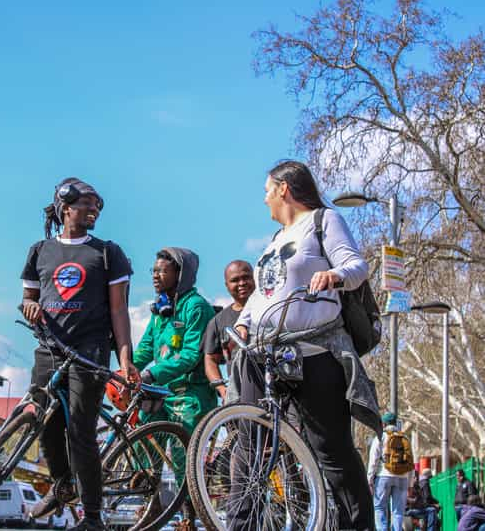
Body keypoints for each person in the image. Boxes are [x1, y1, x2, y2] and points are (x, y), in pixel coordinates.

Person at [231, 160, 380, 530]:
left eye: (267, 190)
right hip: (265, 355)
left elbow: (356, 267)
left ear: (284, 189)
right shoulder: (275, 240)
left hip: (314, 355)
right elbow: (263, 294)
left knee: (331, 452)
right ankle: (239, 525)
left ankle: (356, 526)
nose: (264, 199)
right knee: (249, 444)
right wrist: (244, 323)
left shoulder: (323, 221)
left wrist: (335, 274)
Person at [21, 177, 136, 531]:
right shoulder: (40, 251)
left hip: (90, 352)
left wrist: (125, 359)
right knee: (43, 423)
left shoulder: (106, 252)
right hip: (49, 349)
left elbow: (118, 311)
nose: (94, 210)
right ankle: (62, 485)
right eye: (87, 203)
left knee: (80, 432)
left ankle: (93, 518)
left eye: (98, 206)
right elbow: (29, 296)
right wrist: (29, 306)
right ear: (65, 206)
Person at [133, 247, 216, 531]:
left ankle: (188, 518)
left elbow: (191, 354)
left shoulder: (196, 307)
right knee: (145, 444)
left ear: (180, 274)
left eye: (162, 271)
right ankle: (152, 501)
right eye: (154, 271)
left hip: (189, 394)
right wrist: (127, 371)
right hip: (159, 393)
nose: (156, 275)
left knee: (184, 460)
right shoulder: (160, 308)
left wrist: (151, 373)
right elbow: (146, 347)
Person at [201, 260, 255, 401]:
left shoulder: (271, 309)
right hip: (240, 395)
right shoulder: (218, 321)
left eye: (246, 277)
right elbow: (210, 359)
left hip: (274, 388)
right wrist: (222, 390)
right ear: (227, 285)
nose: (242, 283)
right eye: (235, 280)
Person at [368, 412, 413, 530]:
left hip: (384, 475)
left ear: (384, 423)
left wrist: (370, 479)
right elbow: (410, 461)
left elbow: (373, 459)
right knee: (398, 512)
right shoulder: (405, 438)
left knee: (379, 508)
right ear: (395, 423)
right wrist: (410, 484)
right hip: (402, 478)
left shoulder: (381, 436)